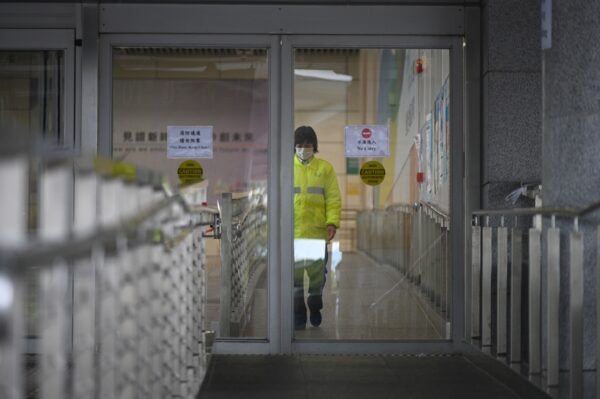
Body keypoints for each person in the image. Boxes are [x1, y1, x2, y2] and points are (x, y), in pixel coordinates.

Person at [293, 126, 341, 330]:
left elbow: (333, 198)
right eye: (300, 145)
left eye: (308, 145)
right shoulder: (286, 168)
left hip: (316, 235)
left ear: (315, 146)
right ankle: (298, 314)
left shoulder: (325, 169)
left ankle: (314, 306)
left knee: (316, 279)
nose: (304, 149)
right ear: (294, 146)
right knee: (294, 281)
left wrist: (332, 222)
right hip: (292, 236)